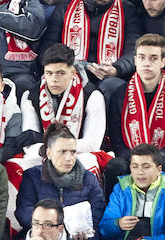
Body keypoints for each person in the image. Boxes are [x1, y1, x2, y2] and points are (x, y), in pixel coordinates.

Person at [42, 0, 135, 100]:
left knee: (113, 87)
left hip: (109, 76)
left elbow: (134, 49)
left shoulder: (127, 10)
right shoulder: (65, 7)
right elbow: (48, 47)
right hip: (69, 72)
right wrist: (64, 68)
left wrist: (117, 69)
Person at [17, 44, 107, 172]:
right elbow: (29, 142)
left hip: (79, 154)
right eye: (49, 73)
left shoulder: (92, 95)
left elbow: (92, 144)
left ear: (72, 73)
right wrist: (51, 151)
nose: (54, 79)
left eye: (60, 73)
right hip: (44, 153)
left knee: (87, 162)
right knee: (15, 167)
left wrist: (58, 149)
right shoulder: (30, 96)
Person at [110, 35, 165, 174]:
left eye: (153, 58)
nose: (147, 63)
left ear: (162, 62)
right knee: (115, 166)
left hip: (163, 158)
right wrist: (137, 160)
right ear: (135, 60)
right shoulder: (120, 95)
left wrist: (150, 161)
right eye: (142, 57)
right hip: (130, 158)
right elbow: (117, 142)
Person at [16, 124, 105, 237]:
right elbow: (23, 212)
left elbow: (98, 218)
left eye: (73, 152)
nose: (68, 158)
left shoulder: (89, 179)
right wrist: (51, 225)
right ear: (49, 153)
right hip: (41, 239)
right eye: (62, 152)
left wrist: (88, 237)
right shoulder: (32, 176)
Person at [98, 144, 165, 240]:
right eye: (135, 166)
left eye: (146, 167)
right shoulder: (121, 188)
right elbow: (104, 229)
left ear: (159, 170)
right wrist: (118, 224)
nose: (140, 172)